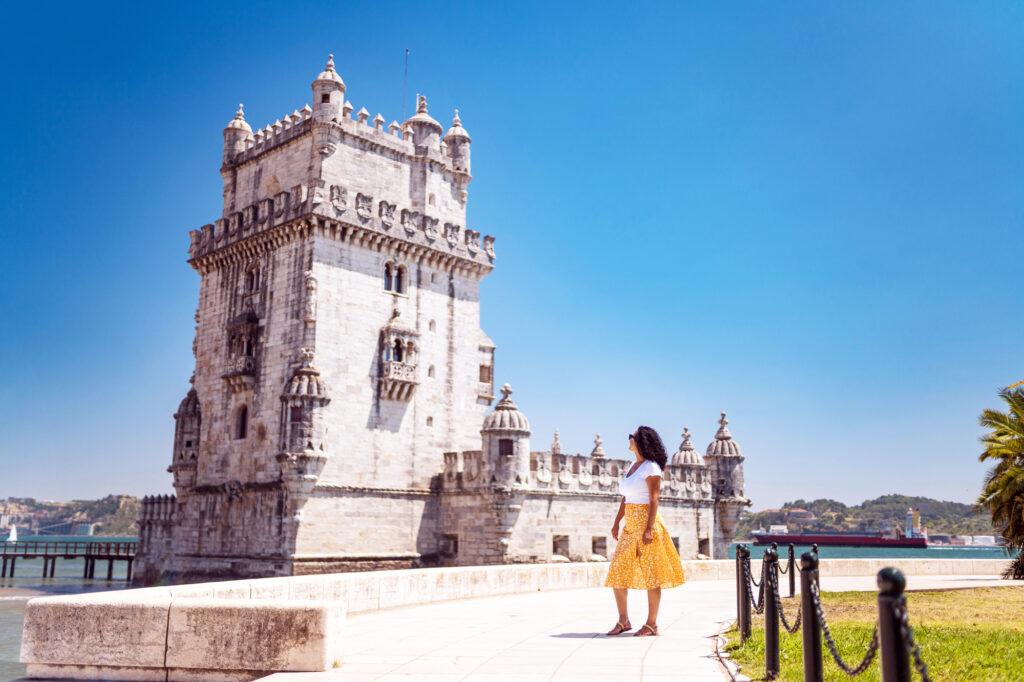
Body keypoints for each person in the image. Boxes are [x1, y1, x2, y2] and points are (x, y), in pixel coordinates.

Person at [604, 425, 686, 636]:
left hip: (647, 525)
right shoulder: (633, 466)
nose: (629, 439)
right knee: (617, 573)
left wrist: (649, 529)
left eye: (632, 436)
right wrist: (616, 522)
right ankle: (624, 621)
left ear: (641, 442)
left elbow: (654, 499)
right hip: (630, 526)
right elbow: (627, 497)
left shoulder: (651, 468)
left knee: (652, 574)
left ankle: (652, 624)